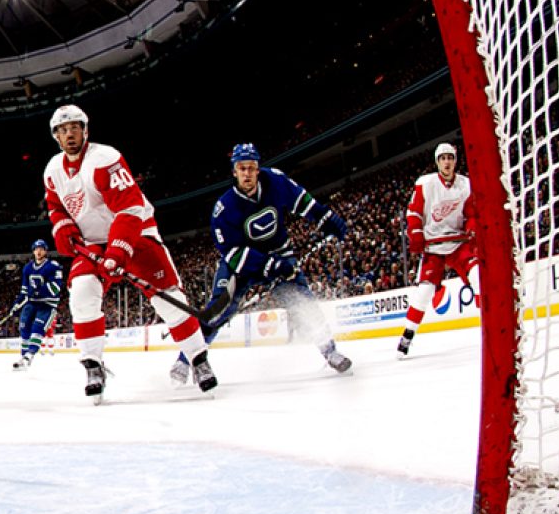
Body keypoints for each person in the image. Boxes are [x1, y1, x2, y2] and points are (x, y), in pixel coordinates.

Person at [42, 105, 216, 401]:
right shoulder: (53, 170)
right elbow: (56, 207)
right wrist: (63, 229)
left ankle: (199, 359)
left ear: (85, 130)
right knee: (82, 291)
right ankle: (93, 365)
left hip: (135, 234)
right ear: (56, 137)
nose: (68, 133)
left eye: (74, 127)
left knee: (169, 301)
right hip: (94, 243)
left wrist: (119, 250)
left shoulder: (104, 158)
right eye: (62, 129)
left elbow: (131, 207)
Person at [187, 143, 353, 382]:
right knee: (218, 311)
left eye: (251, 168)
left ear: (258, 168)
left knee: (302, 301)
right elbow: (233, 254)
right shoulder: (223, 209)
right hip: (242, 264)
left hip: (279, 252)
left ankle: (331, 351)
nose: (247, 173)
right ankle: (189, 360)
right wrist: (270, 266)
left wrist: (326, 218)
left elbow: (304, 203)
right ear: (234, 171)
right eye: (242, 168)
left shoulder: (275, 180)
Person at [397, 142, 480, 356]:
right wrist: (415, 234)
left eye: (450, 158)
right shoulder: (425, 184)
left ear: (455, 161)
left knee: (479, 276)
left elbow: (471, 214)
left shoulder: (466, 185)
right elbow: (413, 213)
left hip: (459, 245)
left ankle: (487, 326)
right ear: (437, 162)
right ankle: (407, 335)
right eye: (443, 158)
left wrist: (471, 227)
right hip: (434, 247)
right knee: (424, 292)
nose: (447, 162)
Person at [11, 239, 63, 370]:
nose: (38, 251)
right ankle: (23, 357)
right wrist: (16, 305)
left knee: (37, 329)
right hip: (31, 303)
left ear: (45, 251)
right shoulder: (27, 268)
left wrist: (38, 291)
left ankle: (29, 355)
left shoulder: (53, 266)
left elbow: (56, 288)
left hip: (47, 304)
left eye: (41, 248)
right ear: (33, 251)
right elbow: (24, 291)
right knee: (24, 329)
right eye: (36, 248)